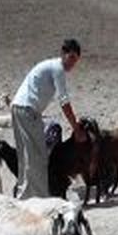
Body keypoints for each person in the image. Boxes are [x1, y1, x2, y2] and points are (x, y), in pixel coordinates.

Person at [11, 39, 86, 199]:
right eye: (71, 57)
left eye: (75, 60)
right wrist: (76, 128)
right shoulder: (57, 68)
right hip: (27, 110)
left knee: (26, 156)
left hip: (19, 107)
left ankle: (23, 194)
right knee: (37, 157)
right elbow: (64, 101)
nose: (72, 63)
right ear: (63, 54)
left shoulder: (50, 66)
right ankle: (37, 198)